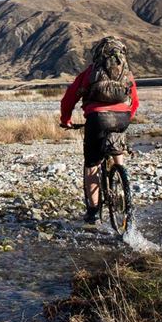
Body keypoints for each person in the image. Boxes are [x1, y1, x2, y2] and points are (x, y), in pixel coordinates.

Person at [59, 37, 140, 226]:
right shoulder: (126, 74)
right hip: (122, 118)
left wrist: (66, 120)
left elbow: (68, 99)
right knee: (117, 153)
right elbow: (134, 102)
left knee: (92, 165)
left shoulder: (89, 74)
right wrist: (126, 117)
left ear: (98, 54)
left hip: (97, 119)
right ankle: (121, 187)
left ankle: (93, 213)